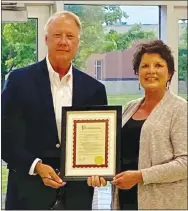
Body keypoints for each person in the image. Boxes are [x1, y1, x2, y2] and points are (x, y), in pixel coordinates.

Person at [2, 11, 107, 210]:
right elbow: (5, 140)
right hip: (28, 193)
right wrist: (36, 166)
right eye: (57, 35)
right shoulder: (18, 81)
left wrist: (100, 170)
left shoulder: (94, 89)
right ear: (46, 39)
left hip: (77, 197)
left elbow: (99, 143)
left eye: (70, 36)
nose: (63, 42)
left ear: (77, 42)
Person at [88, 40, 187, 209]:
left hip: (162, 203)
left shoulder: (180, 109)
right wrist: (98, 170)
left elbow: (185, 163)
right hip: (125, 199)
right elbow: (116, 154)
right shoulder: (130, 108)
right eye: (145, 66)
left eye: (158, 65)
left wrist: (140, 176)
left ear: (170, 73)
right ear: (137, 72)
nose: (151, 71)